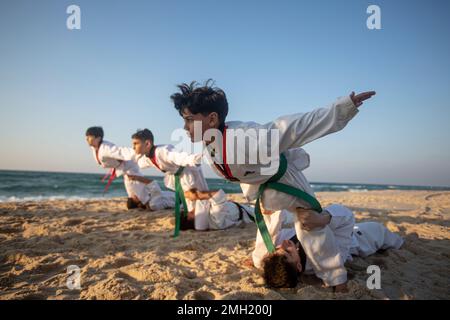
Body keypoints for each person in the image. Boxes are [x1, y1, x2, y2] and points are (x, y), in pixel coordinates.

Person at [170, 79, 376, 288]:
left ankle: (335, 278)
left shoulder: (244, 139)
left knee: (309, 223)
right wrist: (254, 195)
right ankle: (259, 257)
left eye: (188, 120)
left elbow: (293, 128)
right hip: (263, 186)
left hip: (286, 180)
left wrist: (341, 107)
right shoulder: (210, 147)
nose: (185, 127)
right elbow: (244, 174)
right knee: (267, 221)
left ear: (212, 119)